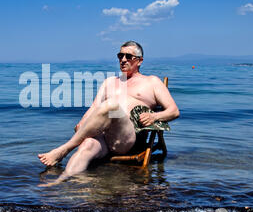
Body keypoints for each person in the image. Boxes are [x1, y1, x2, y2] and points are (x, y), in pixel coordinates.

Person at [38, 41, 180, 185]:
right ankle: (59, 184)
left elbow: (174, 111)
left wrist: (154, 116)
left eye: (128, 56)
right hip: (105, 139)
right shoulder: (109, 82)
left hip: (128, 139)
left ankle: (64, 150)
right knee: (87, 145)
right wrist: (83, 122)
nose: (123, 59)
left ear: (140, 60)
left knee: (111, 105)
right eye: (120, 56)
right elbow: (94, 108)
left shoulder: (152, 82)